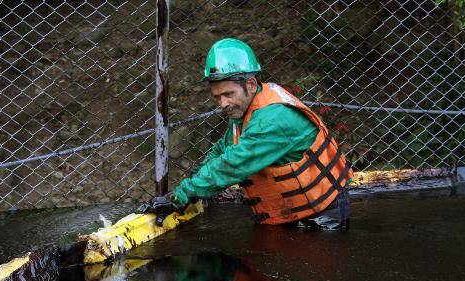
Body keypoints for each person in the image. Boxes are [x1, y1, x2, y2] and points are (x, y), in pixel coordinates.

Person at [145, 38, 352, 230]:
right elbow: (224, 148)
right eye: (217, 97)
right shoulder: (248, 107)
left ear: (251, 84)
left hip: (322, 214)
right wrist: (194, 179)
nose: (223, 104)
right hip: (295, 210)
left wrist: (181, 196)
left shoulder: (272, 119)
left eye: (228, 94)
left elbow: (234, 163)